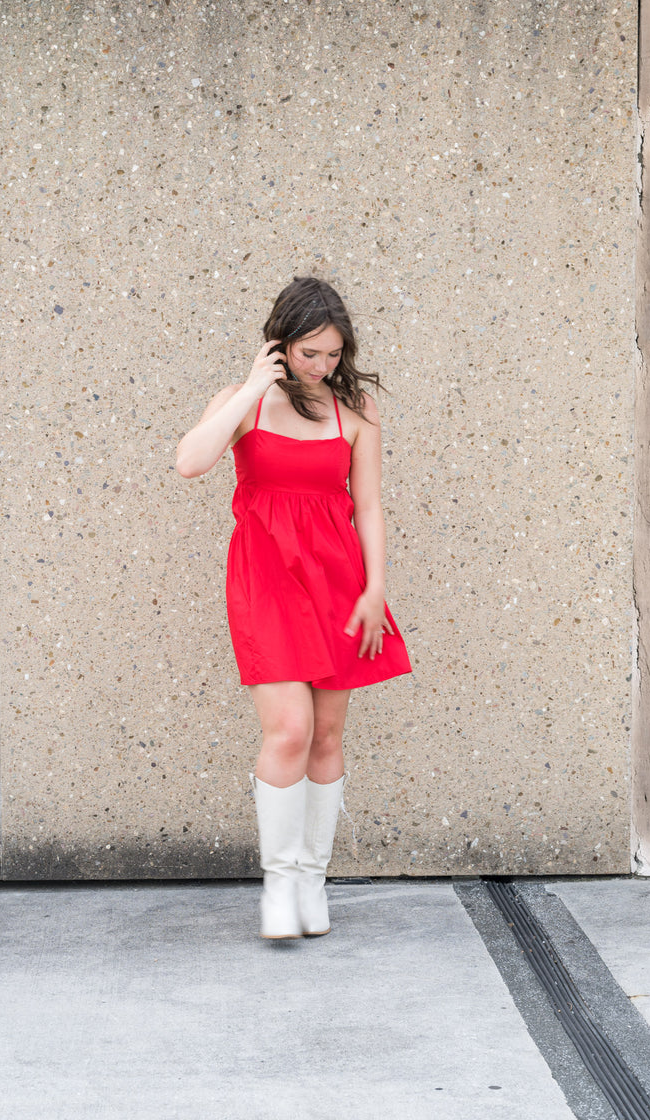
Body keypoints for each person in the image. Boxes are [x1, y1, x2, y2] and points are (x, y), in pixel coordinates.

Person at [176, 276, 411, 940]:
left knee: (328, 735)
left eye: (332, 355)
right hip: (266, 580)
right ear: (280, 343)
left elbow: (368, 506)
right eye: (309, 353)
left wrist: (374, 590)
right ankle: (279, 884)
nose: (321, 367)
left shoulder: (354, 411)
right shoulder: (243, 403)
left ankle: (312, 881)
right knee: (288, 731)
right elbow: (190, 461)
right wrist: (252, 388)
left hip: (340, 583)